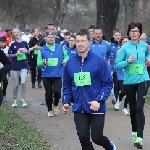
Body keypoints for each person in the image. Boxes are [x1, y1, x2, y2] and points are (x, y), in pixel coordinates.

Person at [62, 29, 116, 150]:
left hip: (96, 106)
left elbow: (108, 83)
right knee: (83, 137)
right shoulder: (70, 63)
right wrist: (66, 101)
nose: (80, 44)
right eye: (78, 41)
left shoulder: (99, 62)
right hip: (79, 107)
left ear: (89, 42)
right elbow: (67, 85)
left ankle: (110, 146)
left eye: (83, 41)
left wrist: (99, 100)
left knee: (97, 138)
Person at [115, 22, 150, 149]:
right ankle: (134, 133)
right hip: (130, 81)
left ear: (140, 33)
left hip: (143, 79)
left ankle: (140, 138)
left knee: (140, 107)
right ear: (129, 33)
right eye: (132, 31)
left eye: (136, 31)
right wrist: (127, 61)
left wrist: (148, 59)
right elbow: (117, 64)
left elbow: (148, 54)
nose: (134, 33)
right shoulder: (124, 48)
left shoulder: (145, 46)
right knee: (133, 109)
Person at [37, 32, 69, 117]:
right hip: (46, 75)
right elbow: (38, 63)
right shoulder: (42, 49)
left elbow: (66, 56)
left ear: (54, 38)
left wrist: (65, 60)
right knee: (48, 93)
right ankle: (49, 109)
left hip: (58, 74)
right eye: (49, 37)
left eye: (52, 37)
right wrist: (42, 63)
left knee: (57, 92)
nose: (50, 39)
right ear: (45, 39)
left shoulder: (60, 47)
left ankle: (55, 104)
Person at [8, 28, 30, 108]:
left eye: (17, 32)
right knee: (16, 84)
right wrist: (16, 55)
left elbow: (29, 51)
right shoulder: (12, 44)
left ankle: (23, 99)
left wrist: (26, 51)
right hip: (15, 66)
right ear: (13, 34)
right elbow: (9, 55)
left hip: (24, 65)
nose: (16, 34)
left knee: (23, 82)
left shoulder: (24, 43)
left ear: (20, 33)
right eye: (14, 33)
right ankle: (14, 100)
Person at [114, 36, 130, 115]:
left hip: (130, 74)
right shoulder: (119, 51)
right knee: (123, 91)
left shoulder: (132, 51)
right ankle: (119, 100)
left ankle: (125, 108)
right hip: (121, 73)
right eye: (124, 42)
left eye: (127, 42)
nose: (125, 43)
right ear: (121, 43)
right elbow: (117, 63)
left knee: (128, 91)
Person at [109, 28, 121, 105]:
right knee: (116, 85)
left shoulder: (123, 45)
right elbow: (109, 57)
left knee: (121, 86)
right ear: (113, 36)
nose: (118, 37)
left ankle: (117, 98)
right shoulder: (110, 46)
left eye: (119, 35)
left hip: (122, 68)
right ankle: (115, 99)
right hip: (114, 68)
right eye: (116, 35)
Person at [0, 37, 11, 102]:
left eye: (4, 42)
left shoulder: (6, 49)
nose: (3, 43)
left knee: (5, 81)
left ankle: (3, 93)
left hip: (2, 69)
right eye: (2, 42)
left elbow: (8, 61)